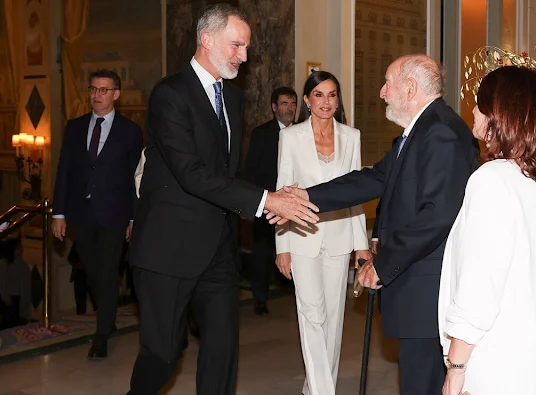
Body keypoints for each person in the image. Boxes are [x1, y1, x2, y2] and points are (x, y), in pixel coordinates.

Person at [127, 5, 318, 395]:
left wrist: (275, 199)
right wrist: (267, 199)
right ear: (207, 39)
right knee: (163, 354)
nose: (243, 57)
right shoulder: (169, 94)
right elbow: (193, 174)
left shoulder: (232, 97)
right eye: (236, 46)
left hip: (217, 250)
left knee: (222, 353)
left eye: (246, 48)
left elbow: (228, 175)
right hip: (169, 249)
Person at [273, 54, 478, 394]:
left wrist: (384, 264)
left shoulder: (440, 132)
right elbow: (369, 181)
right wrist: (302, 198)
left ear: (409, 88)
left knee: (423, 382)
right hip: (417, 286)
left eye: (388, 83)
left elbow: (436, 216)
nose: (382, 92)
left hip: (428, 290)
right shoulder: (420, 131)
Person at [438, 66, 536, 395]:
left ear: (500, 115)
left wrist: (456, 368)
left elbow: (479, 290)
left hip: (499, 369)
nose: (472, 110)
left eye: (480, 104)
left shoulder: (491, 180)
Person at [274, 71, 371, 395]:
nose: (326, 102)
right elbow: (282, 191)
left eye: (332, 95)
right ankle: (322, 391)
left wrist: (361, 245)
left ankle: (315, 385)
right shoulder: (291, 137)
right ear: (307, 100)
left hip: (341, 237)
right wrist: (281, 245)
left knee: (333, 318)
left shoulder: (351, 136)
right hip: (301, 236)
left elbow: (355, 192)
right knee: (311, 314)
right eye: (319, 95)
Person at [52, 69, 143, 359]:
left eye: (104, 90)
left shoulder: (130, 131)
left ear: (116, 94)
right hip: (82, 214)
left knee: (105, 271)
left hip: (114, 216)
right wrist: (59, 213)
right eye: (93, 89)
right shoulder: (75, 127)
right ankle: (109, 316)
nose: (97, 95)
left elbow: (135, 178)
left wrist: (133, 218)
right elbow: (64, 170)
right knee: (93, 273)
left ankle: (101, 335)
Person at [243, 86, 297, 315]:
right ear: (274, 107)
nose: (290, 109)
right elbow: (252, 170)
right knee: (263, 252)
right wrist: (252, 203)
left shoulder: (303, 132)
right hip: (267, 203)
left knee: (295, 250)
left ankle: (296, 293)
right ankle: (260, 298)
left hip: (295, 202)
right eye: (284, 104)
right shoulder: (261, 133)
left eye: (293, 104)